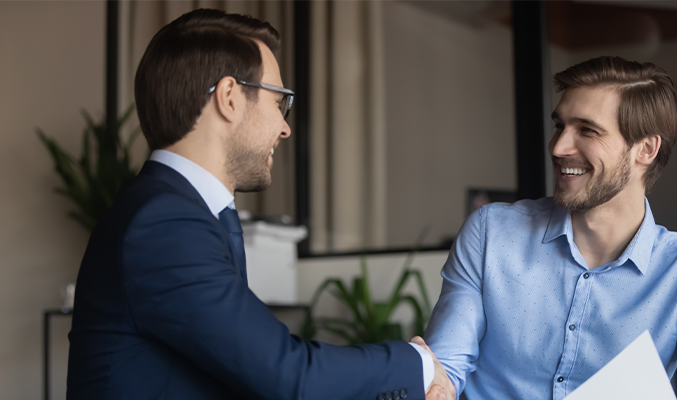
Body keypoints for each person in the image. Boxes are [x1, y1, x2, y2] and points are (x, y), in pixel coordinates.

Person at [66, 9, 454, 400]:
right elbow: (289, 376)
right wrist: (417, 363)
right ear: (230, 98)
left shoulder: (175, 212)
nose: (285, 127)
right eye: (279, 101)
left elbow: (250, 375)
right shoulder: (164, 222)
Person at [424, 56, 677, 400]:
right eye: (560, 126)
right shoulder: (490, 233)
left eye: (587, 130)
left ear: (645, 149)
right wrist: (436, 385)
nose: (558, 147)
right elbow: (446, 367)